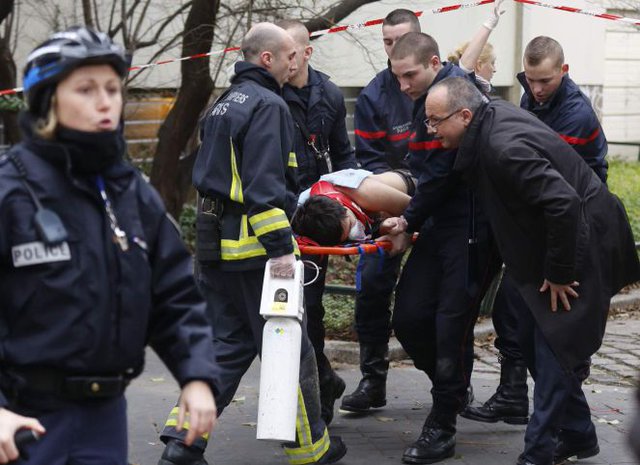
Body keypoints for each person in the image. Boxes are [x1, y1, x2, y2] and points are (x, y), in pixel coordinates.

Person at [0, 26, 218, 465]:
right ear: (47, 101)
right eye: (85, 89)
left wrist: (196, 376)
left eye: (113, 88)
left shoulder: (129, 192)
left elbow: (173, 295)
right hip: (20, 421)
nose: (106, 101)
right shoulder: (9, 190)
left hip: (105, 418)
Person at [418, 76, 640, 465]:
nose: (430, 130)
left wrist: (558, 273)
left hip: (582, 239)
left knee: (554, 344)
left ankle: (537, 452)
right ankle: (578, 434)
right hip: (567, 235)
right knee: (521, 325)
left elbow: (563, 204)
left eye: (436, 121)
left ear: (465, 115)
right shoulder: (490, 119)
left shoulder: (501, 147)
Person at [157, 23, 346, 465]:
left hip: (215, 252)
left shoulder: (223, 105)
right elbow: (264, 190)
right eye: (288, 56)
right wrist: (282, 250)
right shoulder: (269, 105)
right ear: (268, 59)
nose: (295, 61)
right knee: (290, 351)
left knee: (225, 348)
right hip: (256, 255)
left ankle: (182, 444)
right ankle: (311, 449)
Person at [463, 36, 611, 429]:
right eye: (530, 80)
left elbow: (560, 191)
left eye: (545, 80)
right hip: (545, 225)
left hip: (573, 227)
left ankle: (562, 421)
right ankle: (518, 398)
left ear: (563, 71)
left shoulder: (575, 115)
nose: (537, 89)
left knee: (559, 327)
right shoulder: (533, 99)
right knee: (512, 310)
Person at [382, 4, 505, 462]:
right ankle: (452, 388)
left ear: (433, 65)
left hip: (472, 231)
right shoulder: (425, 103)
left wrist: (406, 218)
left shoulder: (459, 100)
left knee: (450, 324)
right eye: (396, 76)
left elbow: (443, 176)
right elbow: (422, 173)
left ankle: (443, 423)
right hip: (435, 227)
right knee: (410, 319)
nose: (403, 86)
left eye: (409, 75)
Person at [276, 19, 357, 425]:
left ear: (307, 52)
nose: (285, 61)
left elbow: (343, 157)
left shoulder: (328, 93)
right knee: (284, 311)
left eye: (292, 52)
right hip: (279, 217)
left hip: (318, 219)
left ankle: (318, 396)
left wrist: (346, 213)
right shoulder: (268, 93)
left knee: (311, 307)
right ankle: (322, 380)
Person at [340, 9, 420, 416]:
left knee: (442, 300)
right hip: (388, 207)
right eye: (387, 42)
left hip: (440, 209)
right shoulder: (374, 95)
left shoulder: (447, 86)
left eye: (401, 40)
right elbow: (368, 167)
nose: (394, 49)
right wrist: (394, 216)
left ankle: (452, 382)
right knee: (370, 287)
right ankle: (373, 379)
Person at [292, 169, 412, 246]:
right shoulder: (304, 220)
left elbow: (418, 210)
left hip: (414, 192)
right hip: (385, 218)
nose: (353, 233)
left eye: (350, 225)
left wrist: (405, 235)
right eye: (346, 236)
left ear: (342, 205)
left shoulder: (364, 192)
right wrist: (380, 228)